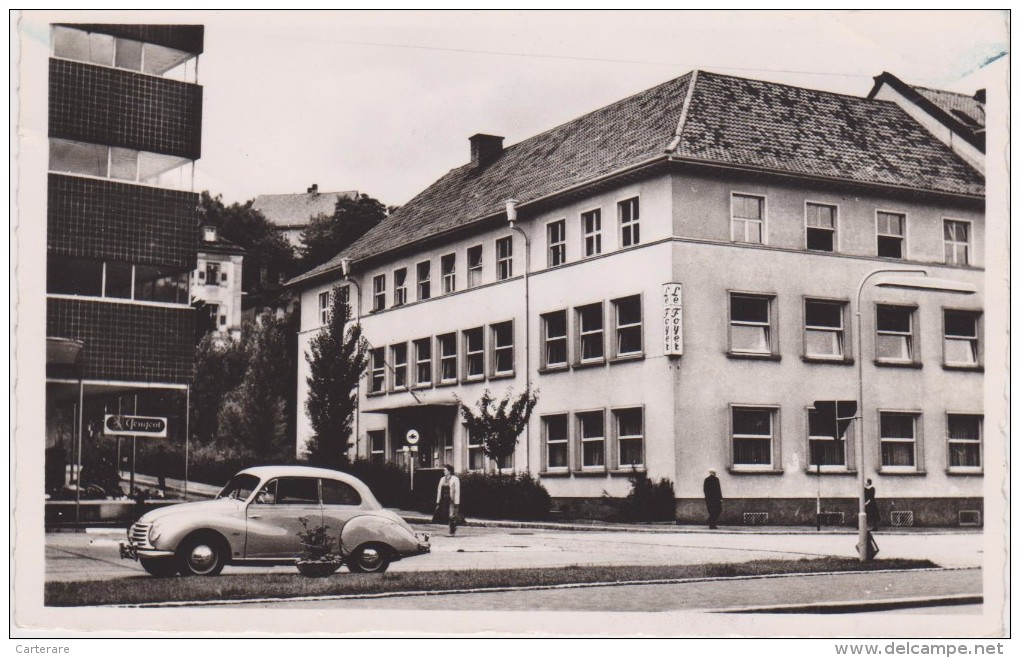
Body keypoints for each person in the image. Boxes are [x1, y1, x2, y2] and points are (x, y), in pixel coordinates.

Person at [433, 464, 462, 536]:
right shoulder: (442, 479)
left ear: (449, 471)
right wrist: (438, 501)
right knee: (445, 514)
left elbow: (457, 491)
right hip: (444, 499)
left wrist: (457, 502)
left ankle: (452, 530)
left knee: (451, 515)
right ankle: (452, 528)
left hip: (451, 499)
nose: (444, 471)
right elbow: (439, 490)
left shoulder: (455, 479)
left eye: (445, 470)